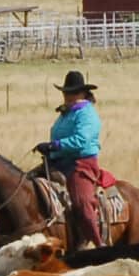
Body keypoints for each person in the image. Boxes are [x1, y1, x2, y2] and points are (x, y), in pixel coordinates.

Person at [39, 69, 107, 245]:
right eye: (66, 92)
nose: (68, 96)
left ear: (83, 93)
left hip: (80, 163)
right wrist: (49, 149)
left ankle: (99, 245)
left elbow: (81, 140)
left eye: (73, 92)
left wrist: (56, 145)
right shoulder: (66, 113)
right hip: (58, 161)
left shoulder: (87, 114)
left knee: (82, 203)